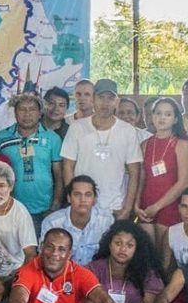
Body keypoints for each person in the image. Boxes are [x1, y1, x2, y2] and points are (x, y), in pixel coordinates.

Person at [61, 78, 142, 219]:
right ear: (93, 99)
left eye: (110, 98)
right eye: (100, 97)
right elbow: (68, 166)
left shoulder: (127, 131)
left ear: (117, 101)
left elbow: (135, 172)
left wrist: (127, 208)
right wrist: (73, 201)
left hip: (115, 207)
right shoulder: (77, 128)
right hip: (83, 206)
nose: (105, 103)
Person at [0, 93, 63, 235]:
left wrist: (54, 206)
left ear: (40, 113)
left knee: (39, 254)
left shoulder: (52, 138)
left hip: (43, 211)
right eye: (22, 109)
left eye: (32, 109)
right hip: (10, 208)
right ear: (15, 112)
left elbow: (59, 175)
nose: (27, 114)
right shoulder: (1, 137)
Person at [136, 98, 188, 245]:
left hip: (170, 206)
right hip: (146, 207)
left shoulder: (181, 144)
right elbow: (141, 179)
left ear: (175, 119)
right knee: (148, 254)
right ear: (152, 116)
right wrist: (136, 205)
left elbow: (184, 182)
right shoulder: (145, 144)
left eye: (168, 114)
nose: (162, 118)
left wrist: (157, 206)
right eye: (158, 113)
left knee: (165, 258)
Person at [41, 175, 113, 266]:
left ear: (95, 199)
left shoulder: (106, 221)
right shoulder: (52, 223)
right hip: (62, 275)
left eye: (88, 195)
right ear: (69, 198)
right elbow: (44, 258)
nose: (82, 200)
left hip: (96, 276)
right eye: (77, 194)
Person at [160, 189, 188, 275]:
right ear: (179, 208)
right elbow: (164, 268)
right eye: (184, 206)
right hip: (183, 283)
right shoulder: (171, 232)